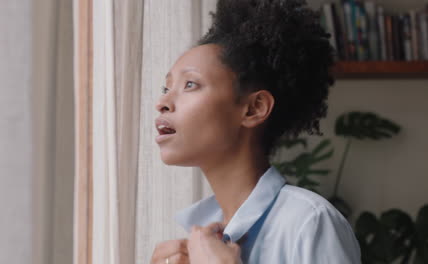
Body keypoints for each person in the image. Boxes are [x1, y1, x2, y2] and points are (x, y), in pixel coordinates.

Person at [150, 0, 361, 263]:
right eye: (166, 88)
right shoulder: (197, 243)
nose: (162, 103)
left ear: (253, 109)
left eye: (190, 84)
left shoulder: (310, 223)